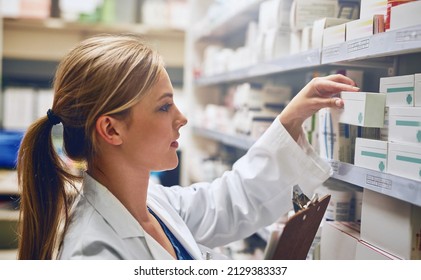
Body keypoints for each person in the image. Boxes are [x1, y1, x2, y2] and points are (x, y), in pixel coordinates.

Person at [16, 34, 359, 260]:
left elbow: (228, 202)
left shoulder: (155, 203)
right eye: (164, 107)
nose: (182, 118)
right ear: (111, 129)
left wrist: (288, 121)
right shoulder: (94, 254)